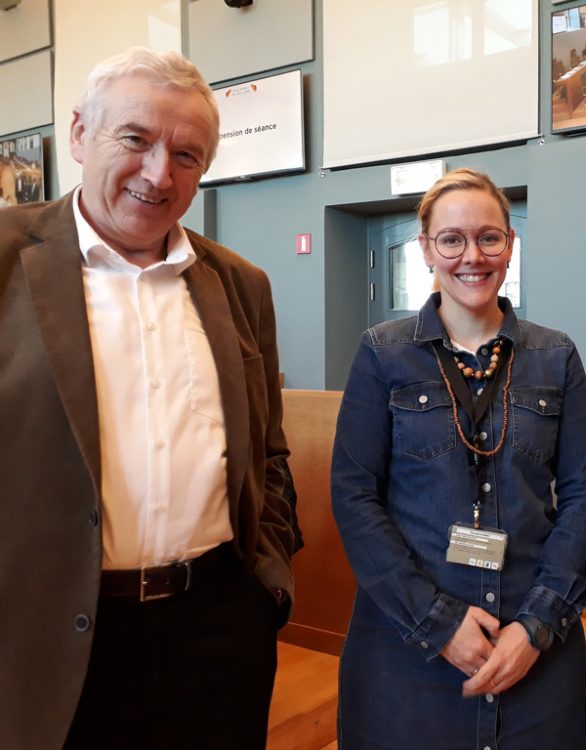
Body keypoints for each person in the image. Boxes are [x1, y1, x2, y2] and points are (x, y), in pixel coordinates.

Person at [0, 47, 295, 750]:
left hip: (219, 630)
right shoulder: (9, 260)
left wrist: (267, 586)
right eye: (135, 139)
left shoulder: (241, 284)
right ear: (79, 133)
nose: (159, 173)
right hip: (45, 638)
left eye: (187, 155)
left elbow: (270, 451)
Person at [331, 168, 586, 749]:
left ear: (510, 244)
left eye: (489, 237)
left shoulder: (556, 357)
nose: (471, 256)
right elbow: (354, 497)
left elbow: (584, 493)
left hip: (534, 646)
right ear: (426, 248)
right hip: (407, 646)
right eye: (451, 239)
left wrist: (537, 625)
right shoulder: (383, 355)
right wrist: (439, 621)